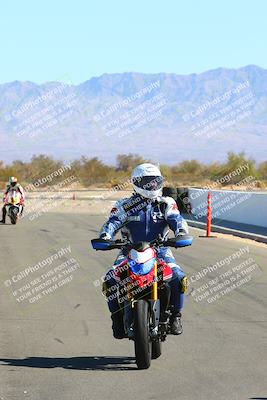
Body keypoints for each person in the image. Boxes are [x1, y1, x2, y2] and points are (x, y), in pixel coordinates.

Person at [99, 163, 189, 339]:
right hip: (128, 251)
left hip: (161, 251)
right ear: (136, 183)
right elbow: (112, 222)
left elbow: (177, 220)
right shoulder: (124, 205)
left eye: (155, 182)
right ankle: (116, 318)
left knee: (178, 278)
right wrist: (105, 237)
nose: (152, 186)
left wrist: (181, 233)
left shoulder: (166, 203)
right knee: (110, 280)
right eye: (147, 182)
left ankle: (175, 316)